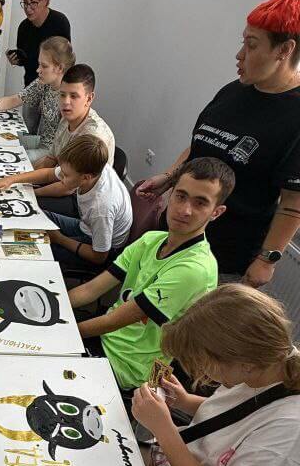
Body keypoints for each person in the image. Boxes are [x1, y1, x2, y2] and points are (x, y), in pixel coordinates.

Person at [132, 286, 300, 466]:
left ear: (245, 363)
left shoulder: (289, 430)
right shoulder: (272, 364)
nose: (204, 372)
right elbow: (241, 418)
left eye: (206, 363)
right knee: (99, 454)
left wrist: (164, 429)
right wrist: (185, 402)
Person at [137, 0, 300, 286]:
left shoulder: (294, 116)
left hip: (220, 260)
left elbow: (292, 202)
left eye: (252, 45)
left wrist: (266, 260)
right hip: (173, 236)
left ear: (284, 50)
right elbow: (201, 145)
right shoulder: (233, 91)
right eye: (243, 42)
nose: (240, 55)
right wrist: (170, 177)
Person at [67, 157, 233, 389]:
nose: (185, 210)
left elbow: (114, 321)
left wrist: (62, 333)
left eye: (200, 203)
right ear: (170, 194)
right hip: (107, 338)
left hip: (130, 368)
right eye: (181, 196)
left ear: (216, 212)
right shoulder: (151, 240)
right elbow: (90, 289)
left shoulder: (195, 269)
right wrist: (55, 306)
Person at [0, 135, 131, 270]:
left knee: (35, 247)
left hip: (101, 250)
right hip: (87, 227)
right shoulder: (93, 168)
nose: (61, 176)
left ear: (86, 178)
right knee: (34, 216)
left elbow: (99, 257)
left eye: (66, 175)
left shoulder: (101, 208)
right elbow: (48, 174)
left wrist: (60, 239)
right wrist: (11, 179)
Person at [0, 63, 115, 198]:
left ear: (89, 98)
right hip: (63, 183)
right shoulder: (66, 118)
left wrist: (30, 194)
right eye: (62, 95)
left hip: (80, 200)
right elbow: (50, 161)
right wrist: (13, 179)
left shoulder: (93, 135)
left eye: (74, 96)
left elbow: (67, 188)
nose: (66, 102)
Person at [0, 36, 75, 154]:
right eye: (39, 64)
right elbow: (16, 99)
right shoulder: (44, 83)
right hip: (40, 143)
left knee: (11, 156)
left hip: (52, 153)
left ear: (60, 68)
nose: (38, 70)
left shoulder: (69, 97)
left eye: (44, 66)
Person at [7, 0, 71, 87]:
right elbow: (27, 61)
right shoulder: (23, 28)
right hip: (31, 87)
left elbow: (65, 62)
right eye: (25, 2)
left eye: (33, 3)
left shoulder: (60, 22)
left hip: (55, 88)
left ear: (45, 0)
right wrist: (17, 61)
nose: (28, 9)